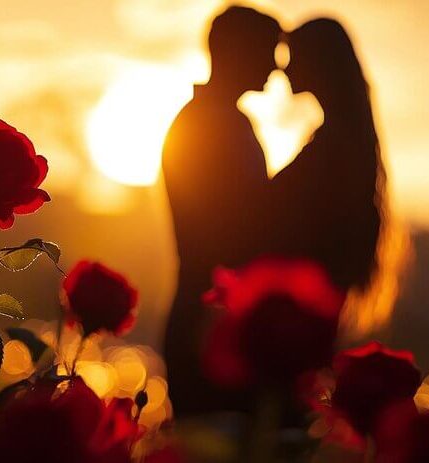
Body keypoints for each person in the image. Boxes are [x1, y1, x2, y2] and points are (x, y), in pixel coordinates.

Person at [162, 5, 281, 415]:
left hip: (210, 317)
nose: (276, 65)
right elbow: (230, 229)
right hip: (208, 322)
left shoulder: (217, 122)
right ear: (238, 52)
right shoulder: (207, 127)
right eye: (268, 50)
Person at [272, 18, 383, 294]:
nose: (284, 68)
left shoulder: (332, 149)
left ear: (319, 61)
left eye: (294, 56)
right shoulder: (344, 141)